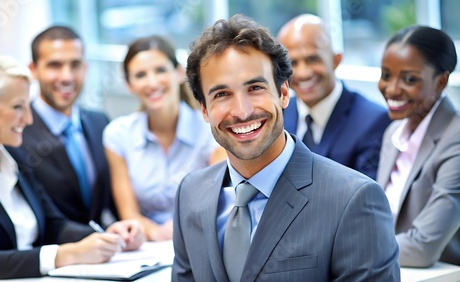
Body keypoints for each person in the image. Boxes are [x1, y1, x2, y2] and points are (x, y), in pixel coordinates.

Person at [172, 14, 400, 281]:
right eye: (222, 94)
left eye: (255, 87)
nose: (242, 111)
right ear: (204, 109)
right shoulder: (190, 194)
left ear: (283, 93)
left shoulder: (353, 200)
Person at [0, 52, 145, 282]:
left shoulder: (16, 155)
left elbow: (53, 224)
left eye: (28, 106)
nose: (28, 119)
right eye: (18, 107)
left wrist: (107, 236)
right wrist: (63, 255)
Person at [103, 35, 225, 241]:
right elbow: (129, 214)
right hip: (149, 248)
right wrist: (156, 233)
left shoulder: (210, 127)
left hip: (204, 237)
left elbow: (220, 199)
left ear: (178, 73)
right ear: (129, 85)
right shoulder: (118, 135)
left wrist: (182, 227)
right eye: (140, 75)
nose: (152, 82)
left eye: (160, 70)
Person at [7, 26, 116, 227]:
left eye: (75, 65)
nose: (67, 77)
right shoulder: (15, 135)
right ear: (33, 70)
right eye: (55, 66)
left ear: (85, 67)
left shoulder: (99, 122)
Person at [376, 25, 460, 267]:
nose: (391, 89)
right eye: (386, 75)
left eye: (409, 79)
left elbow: (423, 248)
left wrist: (355, 248)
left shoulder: (455, 139)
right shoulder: (394, 132)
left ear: (441, 81)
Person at [277, 14, 391, 180]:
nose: (303, 73)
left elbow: (367, 198)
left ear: (336, 60)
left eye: (312, 59)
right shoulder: (279, 113)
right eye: (293, 63)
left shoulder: (373, 120)